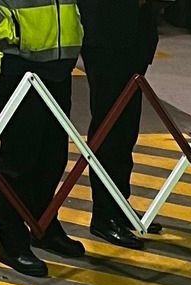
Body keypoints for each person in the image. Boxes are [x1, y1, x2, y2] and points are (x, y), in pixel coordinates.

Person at [0, 2, 86, 276]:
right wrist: (4, 29)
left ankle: (43, 226)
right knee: (19, 158)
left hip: (58, 60)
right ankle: (12, 242)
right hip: (17, 62)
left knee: (53, 155)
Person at [80, 0, 162, 247]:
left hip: (135, 35)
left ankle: (119, 204)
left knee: (126, 131)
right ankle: (104, 216)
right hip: (106, 36)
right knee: (109, 128)